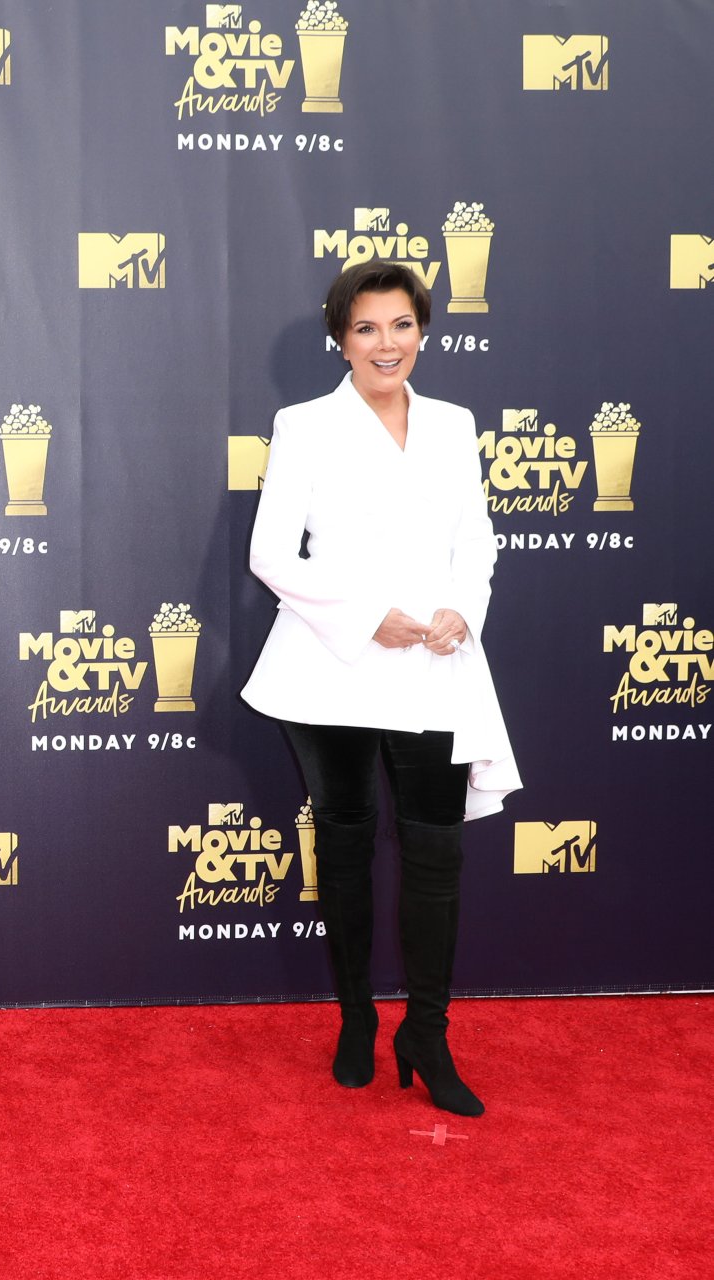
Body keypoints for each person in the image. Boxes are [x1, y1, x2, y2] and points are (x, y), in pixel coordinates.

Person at [242, 260, 520, 1117]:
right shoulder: (303, 425)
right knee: (346, 843)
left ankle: (426, 1033)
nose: (385, 343)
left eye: (400, 325)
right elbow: (270, 553)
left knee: (435, 852)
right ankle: (357, 1017)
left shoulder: (453, 423)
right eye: (365, 328)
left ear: (422, 331)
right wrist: (369, 619)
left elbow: (475, 539)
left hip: (434, 659)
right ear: (340, 339)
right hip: (330, 666)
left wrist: (459, 610)